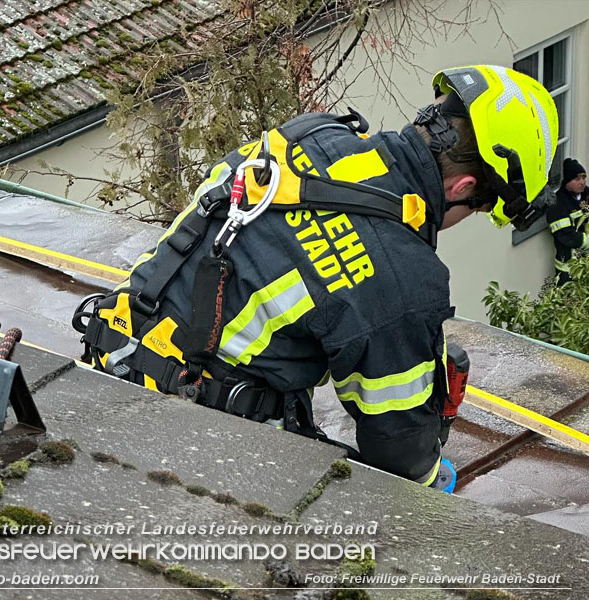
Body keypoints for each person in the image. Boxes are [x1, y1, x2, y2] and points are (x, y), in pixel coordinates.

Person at [74, 65, 558, 492]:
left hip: (114, 353)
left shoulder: (310, 134)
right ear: (464, 187)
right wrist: (434, 481)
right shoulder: (403, 280)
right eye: (478, 209)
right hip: (194, 431)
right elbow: (399, 454)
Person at [546, 158, 588, 285]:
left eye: (584, 177)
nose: (582, 182)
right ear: (567, 182)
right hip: (568, 270)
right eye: (577, 179)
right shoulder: (558, 205)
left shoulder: (587, 195)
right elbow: (567, 237)